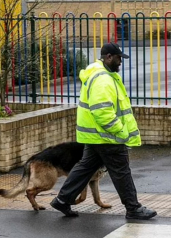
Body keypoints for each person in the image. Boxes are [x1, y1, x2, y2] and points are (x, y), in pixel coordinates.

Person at [50, 42, 157, 220]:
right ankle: (133, 208)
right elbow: (102, 112)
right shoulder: (103, 79)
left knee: (85, 168)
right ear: (108, 57)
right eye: (118, 58)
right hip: (107, 136)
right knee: (121, 171)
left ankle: (63, 199)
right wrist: (120, 131)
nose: (120, 62)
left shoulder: (99, 74)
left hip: (95, 136)